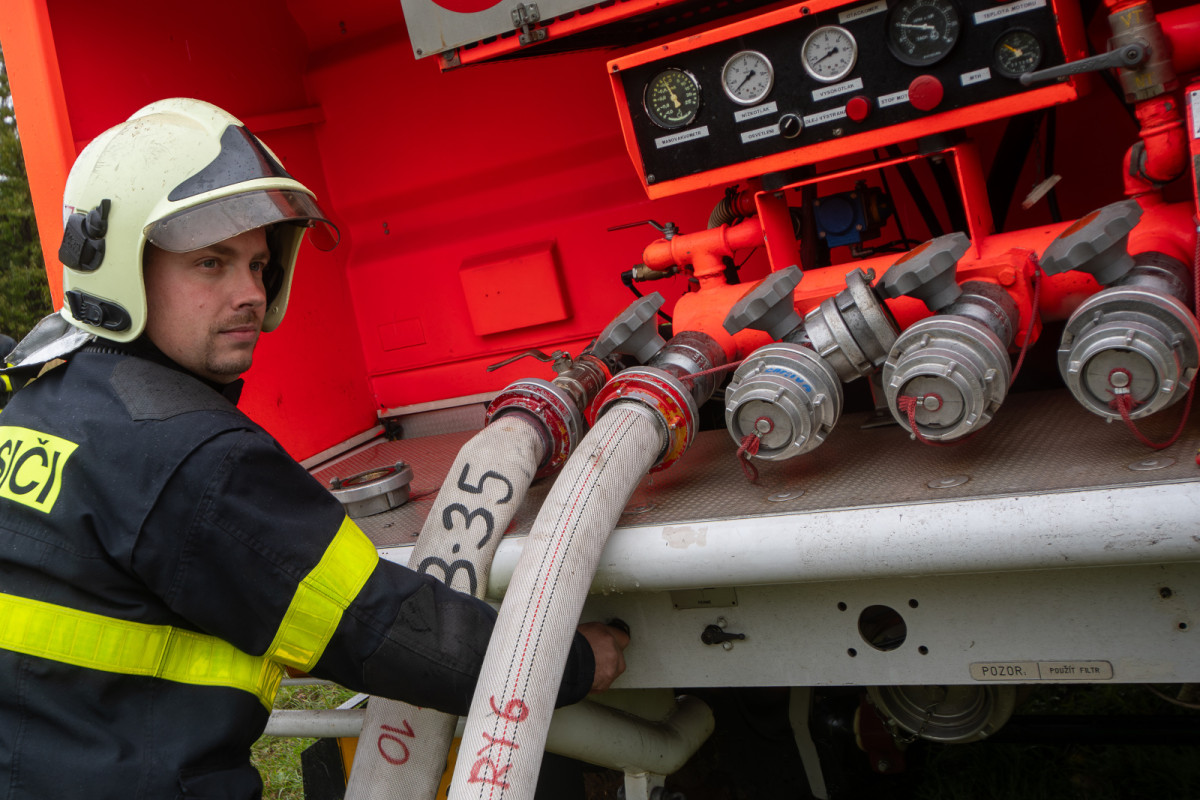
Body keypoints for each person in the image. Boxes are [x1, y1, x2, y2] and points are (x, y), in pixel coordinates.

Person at [0, 98, 629, 799]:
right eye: (211, 263)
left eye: (258, 265)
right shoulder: (194, 456)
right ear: (121, 269)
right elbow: (381, 627)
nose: (250, 293)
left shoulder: (35, 403)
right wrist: (571, 661)